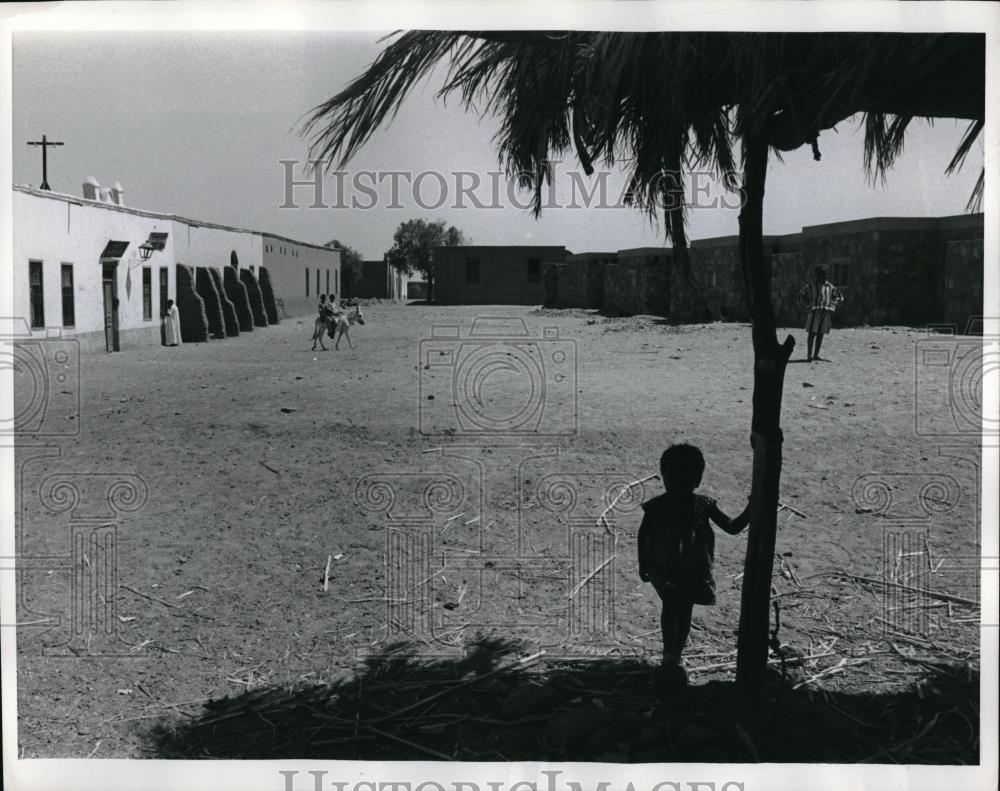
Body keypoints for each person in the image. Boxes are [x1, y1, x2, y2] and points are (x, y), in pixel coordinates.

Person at [638, 443, 750, 686]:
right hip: (677, 570)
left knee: (675, 608)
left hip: (679, 570)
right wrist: (751, 508)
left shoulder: (667, 505)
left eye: (681, 478)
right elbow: (732, 527)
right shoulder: (691, 505)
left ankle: (672, 655)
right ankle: (672, 655)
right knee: (678, 608)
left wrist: (643, 563)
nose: (677, 483)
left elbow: (642, 534)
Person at [796, 265, 844, 362]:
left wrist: (832, 306)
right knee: (812, 333)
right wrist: (808, 307)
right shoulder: (810, 286)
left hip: (825, 313)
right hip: (814, 312)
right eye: (820, 275)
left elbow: (839, 298)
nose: (822, 277)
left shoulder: (831, 287)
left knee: (821, 333)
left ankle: (816, 354)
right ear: (816, 275)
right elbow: (800, 297)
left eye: (824, 274)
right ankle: (809, 355)